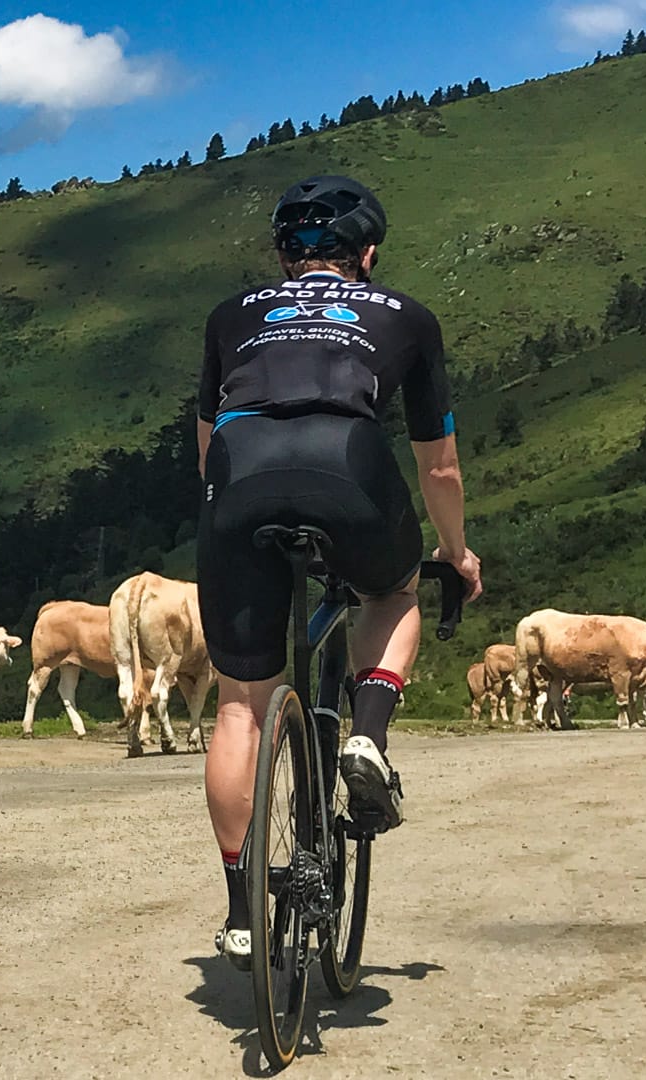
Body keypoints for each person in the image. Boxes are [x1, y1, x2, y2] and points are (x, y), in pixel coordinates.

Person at [195, 175, 484, 968]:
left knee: (237, 712)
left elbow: (205, 449)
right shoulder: (407, 317)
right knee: (390, 591)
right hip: (349, 471)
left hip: (240, 479)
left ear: (284, 255)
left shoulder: (233, 315)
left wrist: (234, 527)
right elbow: (441, 467)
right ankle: (367, 739)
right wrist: (454, 553)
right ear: (368, 252)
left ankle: (240, 907)